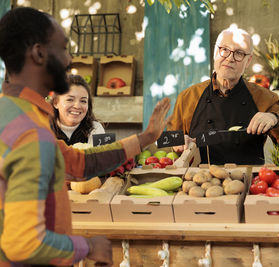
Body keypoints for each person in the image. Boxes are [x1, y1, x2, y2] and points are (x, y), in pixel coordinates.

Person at [0, 7, 170, 266]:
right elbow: (25, 243)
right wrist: (87, 245)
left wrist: (146, 138)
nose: (69, 59)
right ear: (38, 53)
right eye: (63, 48)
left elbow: (79, 163)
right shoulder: (30, 132)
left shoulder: (12, 112)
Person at [168, 26, 279, 165]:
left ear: (248, 60)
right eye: (224, 50)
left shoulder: (265, 98)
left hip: (248, 181)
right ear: (215, 52)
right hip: (197, 182)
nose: (230, 58)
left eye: (239, 53)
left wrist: (276, 120)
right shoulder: (188, 97)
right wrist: (178, 141)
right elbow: (166, 139)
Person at [51, 74, 105, 145]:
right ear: (55, 103)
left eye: (83, 101)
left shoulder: (96, 128)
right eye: (70, 99)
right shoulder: (43, 128)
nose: (77, 106)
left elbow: (104, 155)